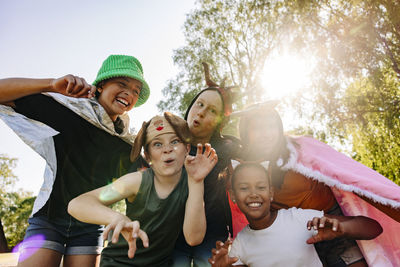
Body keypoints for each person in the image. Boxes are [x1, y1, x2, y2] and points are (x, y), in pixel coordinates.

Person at [0, 55, 150, 267]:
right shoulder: (68, 113)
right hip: (49, 219)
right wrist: (51, 85)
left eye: (136, 90)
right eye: (122, 84)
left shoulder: (127, 145)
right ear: (100, 86)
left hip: (90, 228)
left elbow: (151, 185)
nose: (130, 93)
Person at [233, 102, 400, 266]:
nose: (266, 134)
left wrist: (341, 226)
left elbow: (351, 176)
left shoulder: (299, 148)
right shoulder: (243, 169)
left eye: (271, 126)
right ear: (246, 132)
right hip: (295, 242)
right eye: (257, 128)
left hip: (332, 226)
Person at [68, 112, 217, 266]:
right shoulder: (137, 181)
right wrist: (117, 218)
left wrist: (196, 182)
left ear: (186, 148)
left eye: (175, 141)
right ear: (147, 155)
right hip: (119, 263)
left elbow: (193, 238)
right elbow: (77, 204)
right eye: (157, 144)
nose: (167, 149)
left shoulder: (191, 181)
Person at [208, 162, 383, 267]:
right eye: (244, 188)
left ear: (271, 193)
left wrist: (343, 228)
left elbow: (374, 228)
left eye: (260, 187)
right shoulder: (239, 245)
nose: (253, 193)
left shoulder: (299, 218)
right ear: (232, 196)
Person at [172, 63, 241, 267]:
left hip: (214, 236)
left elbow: (262, 146)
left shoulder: (228, 146)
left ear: (220, 122)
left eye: (212, 110)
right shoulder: (171, 142)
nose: (201, 113)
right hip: (174, 236)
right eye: (200, 104)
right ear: (191, 106)